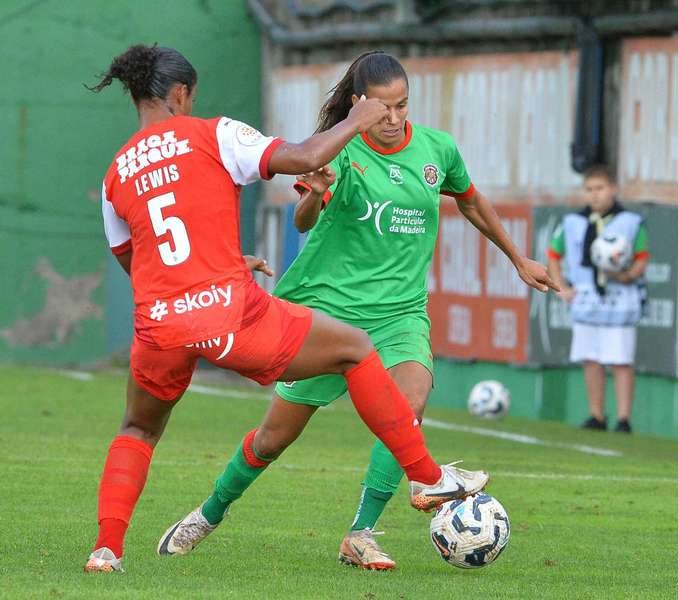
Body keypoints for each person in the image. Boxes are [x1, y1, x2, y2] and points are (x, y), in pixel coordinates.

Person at [84, 44, 489, 573]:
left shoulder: (115, 174)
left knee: (137, 430)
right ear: (182, 93)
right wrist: (358, 119)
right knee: (353, 350)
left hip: (160, 325)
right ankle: (429, 476)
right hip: (231, 317)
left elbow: (140, 264)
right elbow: (302, 158)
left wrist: (217, 266)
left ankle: (105, 551)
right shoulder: (213, 133)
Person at [161, 51, 557, 571]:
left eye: (403, 106)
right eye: (384, 108)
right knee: (273, 438)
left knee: (408, 406)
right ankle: (208, 513)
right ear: (358, 104)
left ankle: (362, 532)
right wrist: (316, 191)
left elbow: (470, 200)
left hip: (399, 314)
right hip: (329, 316)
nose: (394, 119)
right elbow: (303, 221)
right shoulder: (340, 151)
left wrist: (516, 256)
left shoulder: (438, 149)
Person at [546, 165, 649, 433]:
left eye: (600, 189)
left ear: (613, 189)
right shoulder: (572, 223)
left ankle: (624, 418)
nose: (595, 195)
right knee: (590, 357)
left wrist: (627, 275)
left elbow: (641, 258)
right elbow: (554, 254)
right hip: (587, 298)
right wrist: (561, 287)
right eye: (589, 190)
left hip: (620, 298)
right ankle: (597, 414)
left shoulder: (630, 222)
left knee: (620, 358)